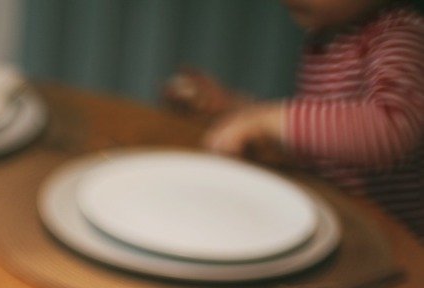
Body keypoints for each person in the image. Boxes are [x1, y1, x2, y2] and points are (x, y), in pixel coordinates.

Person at [164, 0, 424, 236]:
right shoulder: (328, 34)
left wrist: (269, 121)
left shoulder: (399, 34)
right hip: (346, 217)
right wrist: (237, 110)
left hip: (397, 241)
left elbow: (394, 127)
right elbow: (321, 126)